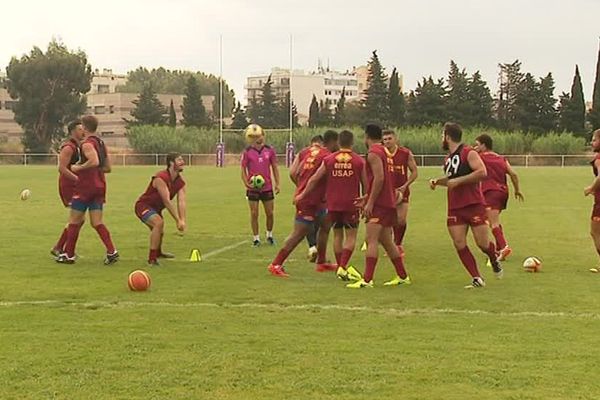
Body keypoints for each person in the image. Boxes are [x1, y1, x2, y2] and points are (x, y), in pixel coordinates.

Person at [429, 122, 502, 288]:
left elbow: (482, 172)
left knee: (483, 244)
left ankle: (493, 257)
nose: (442, 139)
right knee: (459, 243)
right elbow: (451, 180)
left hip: (473, 204)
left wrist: (458, 181)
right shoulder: (448, 159)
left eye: (442, 135)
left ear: (448, 136)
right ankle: (476, 277)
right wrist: (437, 182)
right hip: (455, 206)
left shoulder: (468, 152)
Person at [295, 130, 365, 281]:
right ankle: (342, 266)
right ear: (352, 143)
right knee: (351, 235)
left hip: (333, 204)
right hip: (351, 203)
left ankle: (340, 265)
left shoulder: (329, 159)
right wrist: (366, 200)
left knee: (337, 234)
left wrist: (302, 194)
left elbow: (314, 179)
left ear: (339, 142)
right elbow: (366, 184)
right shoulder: (359, 161)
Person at [267, 130, 339, 277]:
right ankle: (276, 264)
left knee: (325, 224)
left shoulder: (305, 151)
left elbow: (293, 172)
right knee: (300, 232)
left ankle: (322, 261)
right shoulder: (328, 156)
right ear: (332, 142)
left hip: (317, 199)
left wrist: (300, 186)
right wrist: (305, 192)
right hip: (308, 199)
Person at [347, 124, 411, 288]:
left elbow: (380, 178)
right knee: (388, 242)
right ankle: (403, 276)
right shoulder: (385, 152)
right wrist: (367, 197)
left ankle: (367, 280)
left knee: (371, 239)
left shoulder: (374, 153)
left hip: (380, 204)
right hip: (387, 201)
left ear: (367, 137)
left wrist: (370, 202)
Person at [56, 115, 118, 265]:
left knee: (74, 221)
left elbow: (94, 161)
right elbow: (107, 168)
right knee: (97, 222)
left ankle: (69, 255)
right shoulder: (101, 143)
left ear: (84, 127)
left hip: (85, 188)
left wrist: (79, 168)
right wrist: (95, 172)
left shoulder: (87, 144)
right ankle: (112, 251)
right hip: (100, 186)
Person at [474, 134, 524, 261]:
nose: (475, 147)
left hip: (490, 192)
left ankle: (503, 247)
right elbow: (513, 174)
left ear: (484, 145)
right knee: (493, 219)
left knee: (492, 223)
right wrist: (517, 190)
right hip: (502, 192)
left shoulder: (480, 158)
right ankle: (498, 250)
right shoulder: (501, 158)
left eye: (477, 144)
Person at [134, 153, 187, 266]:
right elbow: (167, 201)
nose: (183, 162)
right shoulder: (161, 177)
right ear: (171, 163)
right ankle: (152, 259)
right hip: (143, 206)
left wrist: (182, 219)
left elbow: (182, 201)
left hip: (156, 209)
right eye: (179, 160)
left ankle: (158, 252)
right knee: (158, 223)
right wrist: (177, 220)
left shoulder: (180, 182)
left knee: (160, 231)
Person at [240, 124, 280, 247]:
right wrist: (246, 183)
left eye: (260, 135)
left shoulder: (270, 150)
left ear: (263, 136)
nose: (259, 138)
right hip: (253, 188)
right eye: (255, 136)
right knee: (254, 213)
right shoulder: (247, 152)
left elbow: (274, 167)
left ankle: (269, 235)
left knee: (270, 213)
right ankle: (256, 238)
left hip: (267, 187)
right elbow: (242, 169)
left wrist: (277, 183)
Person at [51, 119, 85, 257]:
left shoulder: (78, 146)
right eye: (80, 129)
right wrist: (78, 180)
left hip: (75, 185)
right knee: (77, 219)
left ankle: (62, 248)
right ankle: (62, 249)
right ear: (72, 132)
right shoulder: (68, 147)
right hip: (68, 186)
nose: (83, 131)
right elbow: (62, 168)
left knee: (79, 219)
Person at [382, 129, 418, 256]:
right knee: (389, 221)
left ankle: (398, 244)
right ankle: (391, 245)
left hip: (402, 191)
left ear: (395, 139)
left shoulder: (405, 153)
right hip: (386, 193)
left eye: (389, 139)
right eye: (385, 139)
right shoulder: (381, 154)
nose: (387, 142)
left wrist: (405, 186)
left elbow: (414, 172)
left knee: (401, 220)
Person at [289, 134, 324, 262]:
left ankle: (312, 247)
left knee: (304, 223)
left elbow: (293, 172)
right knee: (321, 223)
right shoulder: (325, 153)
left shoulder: (303, 153)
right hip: (320, 195)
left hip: (303, 195)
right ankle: (319, 251)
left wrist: (300, 186)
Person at [585, 130, 600, 273]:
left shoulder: (599, 158)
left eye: (594, 140)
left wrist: (591, 188)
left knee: (595, 232)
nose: (592, 142)